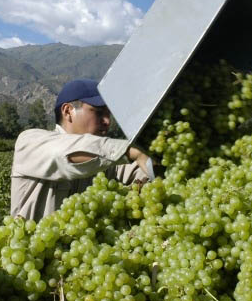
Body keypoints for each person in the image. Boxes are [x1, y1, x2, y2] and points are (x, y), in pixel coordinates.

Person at [11, 79, 153, 221]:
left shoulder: (105, 161)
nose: (107, 121)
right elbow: (61, 153)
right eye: (98, 112)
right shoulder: (30, 143)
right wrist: (129, 151)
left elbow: (138, 169)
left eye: (109, 114)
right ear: (68, 112)